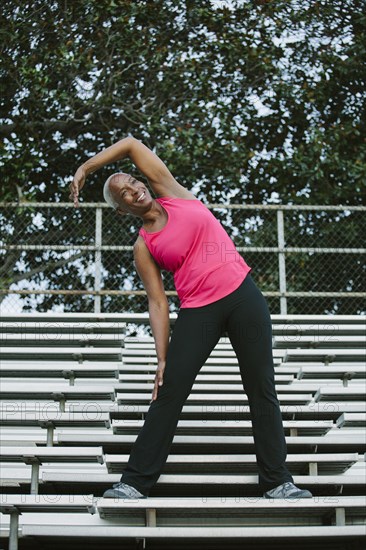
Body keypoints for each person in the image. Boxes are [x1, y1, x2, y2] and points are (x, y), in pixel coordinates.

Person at [70, 136, 313, 500]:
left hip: (243, 296)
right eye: (124, 194)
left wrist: (86, 169)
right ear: (121, 210)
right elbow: (157, 303)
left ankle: (278, 481)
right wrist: (162, 358)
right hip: (199, 311)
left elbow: (132, 144)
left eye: (134, 182)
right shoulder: (143, 246)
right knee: (168, 393)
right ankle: (134, 483)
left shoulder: (172, 191)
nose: (134, 190)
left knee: (262, 389)